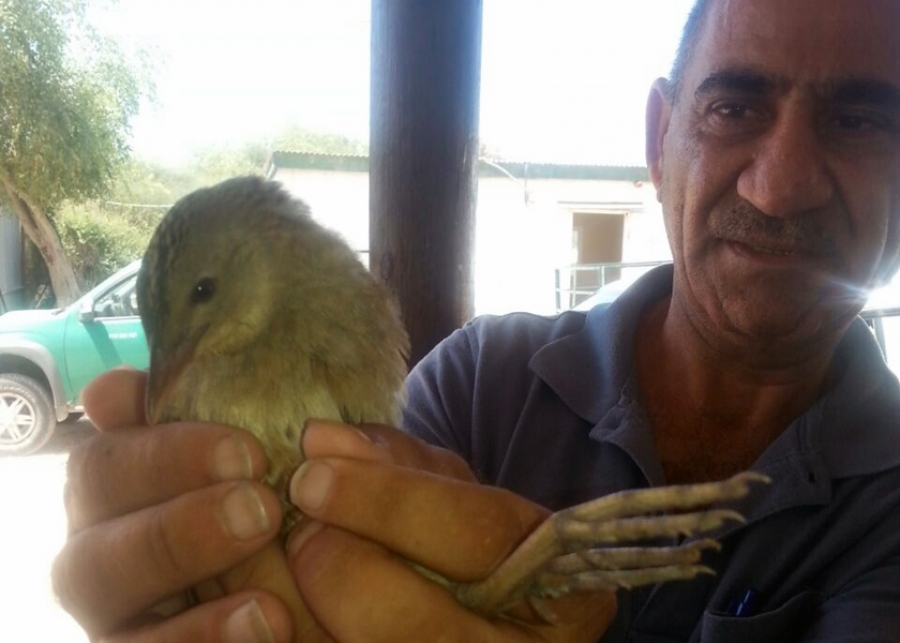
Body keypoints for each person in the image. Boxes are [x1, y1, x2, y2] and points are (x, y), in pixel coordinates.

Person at [52, 0, 900, 640]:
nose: (780, 186)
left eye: (858, 120)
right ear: (659, 138)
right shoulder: (475, 383)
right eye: (734, 108)